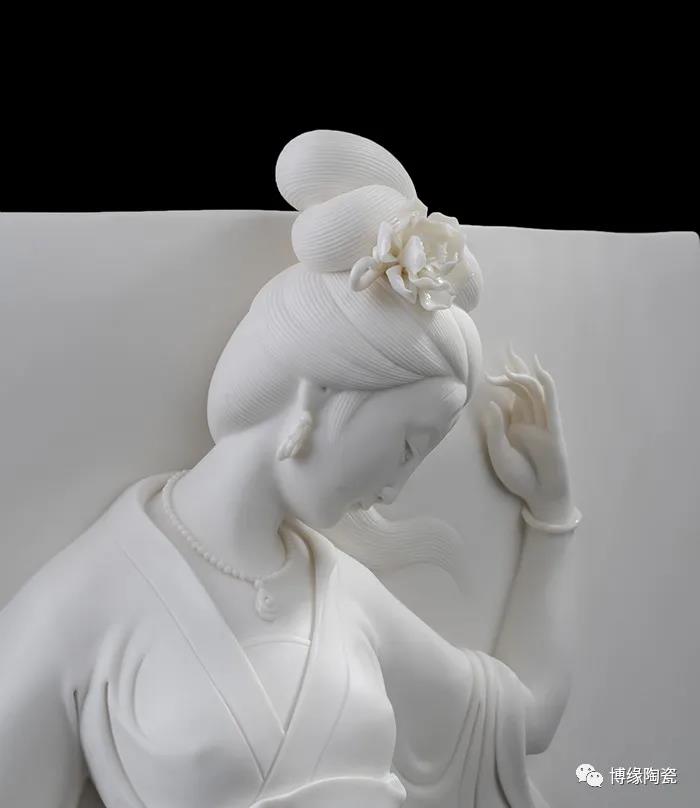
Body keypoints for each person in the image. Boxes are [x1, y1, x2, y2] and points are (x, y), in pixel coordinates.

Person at [0, 130, 581, 807]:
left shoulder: (339, 593)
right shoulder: (81, 604)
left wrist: (552, 515)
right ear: (320, 397)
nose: (394, 491)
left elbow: (526, 717)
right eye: (405, 447)